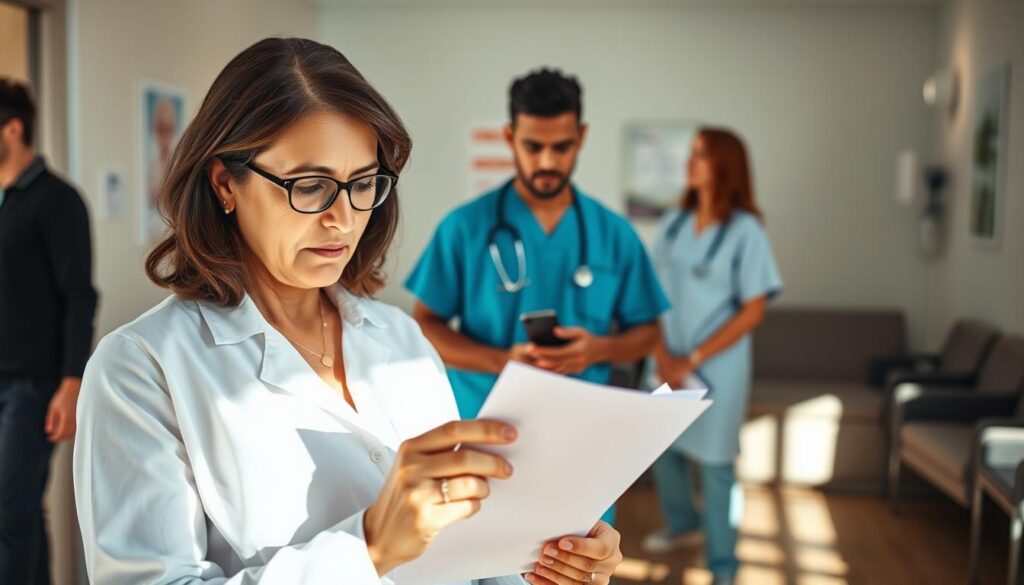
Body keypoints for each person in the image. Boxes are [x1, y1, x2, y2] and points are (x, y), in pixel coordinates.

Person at [73, 38, 623, 585]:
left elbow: (463, 558)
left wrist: (537, 570)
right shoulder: (141, 371)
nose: (343, 218)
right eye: (310, 186)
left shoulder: (401, 341)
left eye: (362, 184)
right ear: (225, 184)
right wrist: (371, 547)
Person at [405, 70, 668, 524]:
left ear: (581, 137)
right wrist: (503, 360)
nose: (547, 160)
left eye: (561, 147)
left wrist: (599, 348)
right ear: (510, 137)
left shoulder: (614, 235)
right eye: (533, 146)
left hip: (583, 441)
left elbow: (648, 333)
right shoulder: (464, 228)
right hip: (483, 439)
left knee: (580, 562)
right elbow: (424, 325)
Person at [642, 128, 782, 585]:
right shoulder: (674, 224)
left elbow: (754, 308)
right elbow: (651, 292)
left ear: (724, 164)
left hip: (717, 365)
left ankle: (724, 565)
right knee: (663, 449)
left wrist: (693, 357)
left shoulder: (746, 230)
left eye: (701, 153)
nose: (691, 160)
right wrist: (663, 353)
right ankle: (684, 524)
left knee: (718, 465)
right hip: (665, 358)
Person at [0, 78, 98, 585]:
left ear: (12, 128)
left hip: (36, 385)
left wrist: (71, 382)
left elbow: (80, 295)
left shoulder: (58, 201)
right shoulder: (5, 200)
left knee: (9, 514)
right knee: (20, 514)